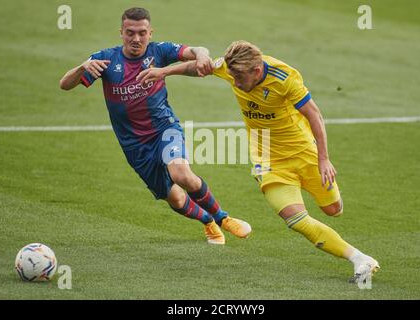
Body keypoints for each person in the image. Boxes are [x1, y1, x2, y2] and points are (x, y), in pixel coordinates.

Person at [137, 40, 380, 283]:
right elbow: (201, 68)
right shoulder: (231, 68)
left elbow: (314, 114)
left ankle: (329, 201)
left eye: (240, 78)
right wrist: (164, 71)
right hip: (267, 158)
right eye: (233, 77)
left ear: (256, 70)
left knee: (333, 210)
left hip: (304, 152)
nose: (237, 83)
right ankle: (360, 259)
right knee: (295, 220)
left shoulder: (285, 78)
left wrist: (324, 159)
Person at [59, 8, 252, 245]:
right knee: (176, 200)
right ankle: (208, 222)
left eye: (142, 33)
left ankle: (223, 218)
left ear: (150, 33)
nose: (136, 39)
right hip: (134, 145)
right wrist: (82, 67)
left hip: (164, 128)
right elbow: (64, 85)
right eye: (130, 33)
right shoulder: (105, 60)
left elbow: (196, 50)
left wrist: (202, 56)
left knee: (181, 174)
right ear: (121, 33)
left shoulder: (159, 51)